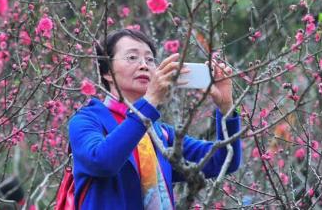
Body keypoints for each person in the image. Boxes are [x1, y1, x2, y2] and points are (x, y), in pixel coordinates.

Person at [68, 28, 243, 209]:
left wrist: (227, 108)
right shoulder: (87, 120)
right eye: (132, 57)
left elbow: (223, 160)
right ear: (107, 72)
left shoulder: (162, 134)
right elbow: (102, 162)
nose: (144, 65)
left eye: (150, 59)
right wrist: (149, 101)